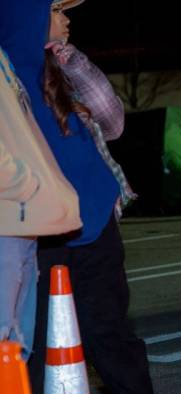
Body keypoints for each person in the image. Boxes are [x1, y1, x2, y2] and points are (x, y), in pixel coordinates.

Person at [0, 0, 161, 394]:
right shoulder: (11, 71)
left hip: (92, 217)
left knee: (106, 324)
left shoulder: (62, 65)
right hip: (41, 227)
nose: (67, 17)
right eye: (55, 9)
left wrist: (71, 56)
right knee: (37, 337)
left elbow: (113, 120)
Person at [0, 45, 81, 362]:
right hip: (10, 214)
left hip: (20, 217)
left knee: (17, 345)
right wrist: (26, 183)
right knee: (7, 339)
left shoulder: (4, 56)